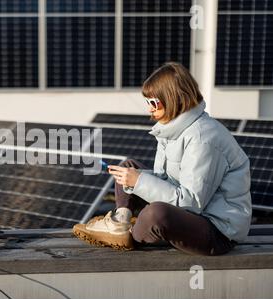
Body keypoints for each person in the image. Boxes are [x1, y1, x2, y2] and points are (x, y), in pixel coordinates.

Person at [73, 62, 252, 256]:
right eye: (148, 103)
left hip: (217, 231)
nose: (149, 109)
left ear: (173, 99)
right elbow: (165, 179)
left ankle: (127, 236)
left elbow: (191, 203)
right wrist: (134, 178)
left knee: (156, 213)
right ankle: (120, 223)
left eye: (153, 103)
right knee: (128, 167)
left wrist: (139, 181)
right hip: (191, 213)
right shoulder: (172, 129)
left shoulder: (203, 138)